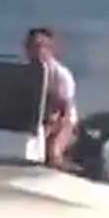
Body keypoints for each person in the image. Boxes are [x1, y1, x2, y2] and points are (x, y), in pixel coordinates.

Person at [23, 27, 79, 168]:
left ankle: (65, 169)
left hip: (63, 120)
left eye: (41, 47)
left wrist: (52, 127)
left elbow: (66, 112)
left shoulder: (61, 76)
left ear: (51, 49)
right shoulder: (25, 73)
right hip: (38, 121)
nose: (37, 51)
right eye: (32, 47)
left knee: (53, 153)